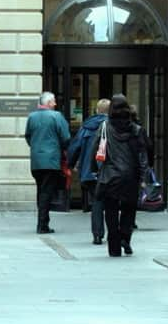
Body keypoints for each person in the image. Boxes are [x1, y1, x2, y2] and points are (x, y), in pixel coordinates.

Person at [91, 94, 149, 257]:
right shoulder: (136, 129)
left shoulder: (104, 127)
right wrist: (143, 177)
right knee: (129, 209)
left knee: (110, 210)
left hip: (110, 176)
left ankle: (114, 247)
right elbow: (143, 155)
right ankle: (125, 237)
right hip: (131, 176)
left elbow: (95, 149)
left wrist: (93, 169)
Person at [25, 91, 71, 234]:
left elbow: (28, 136)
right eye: (54, 101)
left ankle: (43, 222)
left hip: (36, 161)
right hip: (51, 160)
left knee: (41, 190)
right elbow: (66, 137)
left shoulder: (31, 117)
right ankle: (42, 225)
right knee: (46, 192)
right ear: (49, 103)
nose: (56, 104)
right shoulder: (56, 116)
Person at [67, 98, 110, 245]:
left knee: (97, 202)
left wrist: (70, 164)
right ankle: (113, 234)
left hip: (90, 171)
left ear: (97, 110)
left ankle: (97, 235)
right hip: (109, 171)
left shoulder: (86, 127)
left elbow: (75, 147)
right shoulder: (114, 126)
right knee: (111, 202)